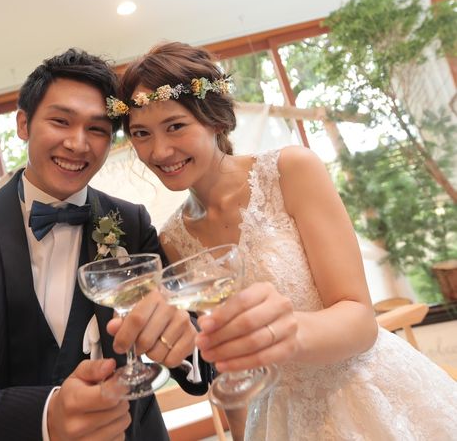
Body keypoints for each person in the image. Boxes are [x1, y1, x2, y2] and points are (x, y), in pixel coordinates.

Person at [114, 41, 457, 440]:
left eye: (175, 126)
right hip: (279, 419)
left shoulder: (290, 171)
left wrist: (279, 332)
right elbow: (229, 373)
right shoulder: (173, 238)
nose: (159, 151)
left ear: (215, 120)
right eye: (141, 133)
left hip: (366, 393)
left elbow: (360, 320)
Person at [0, 47, 209, 441]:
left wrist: (184, 343)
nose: (78, 144)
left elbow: (196, 359)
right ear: (23, 124)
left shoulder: (132, 222)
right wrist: (47, 416)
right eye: (61, 121)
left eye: (97, 129)